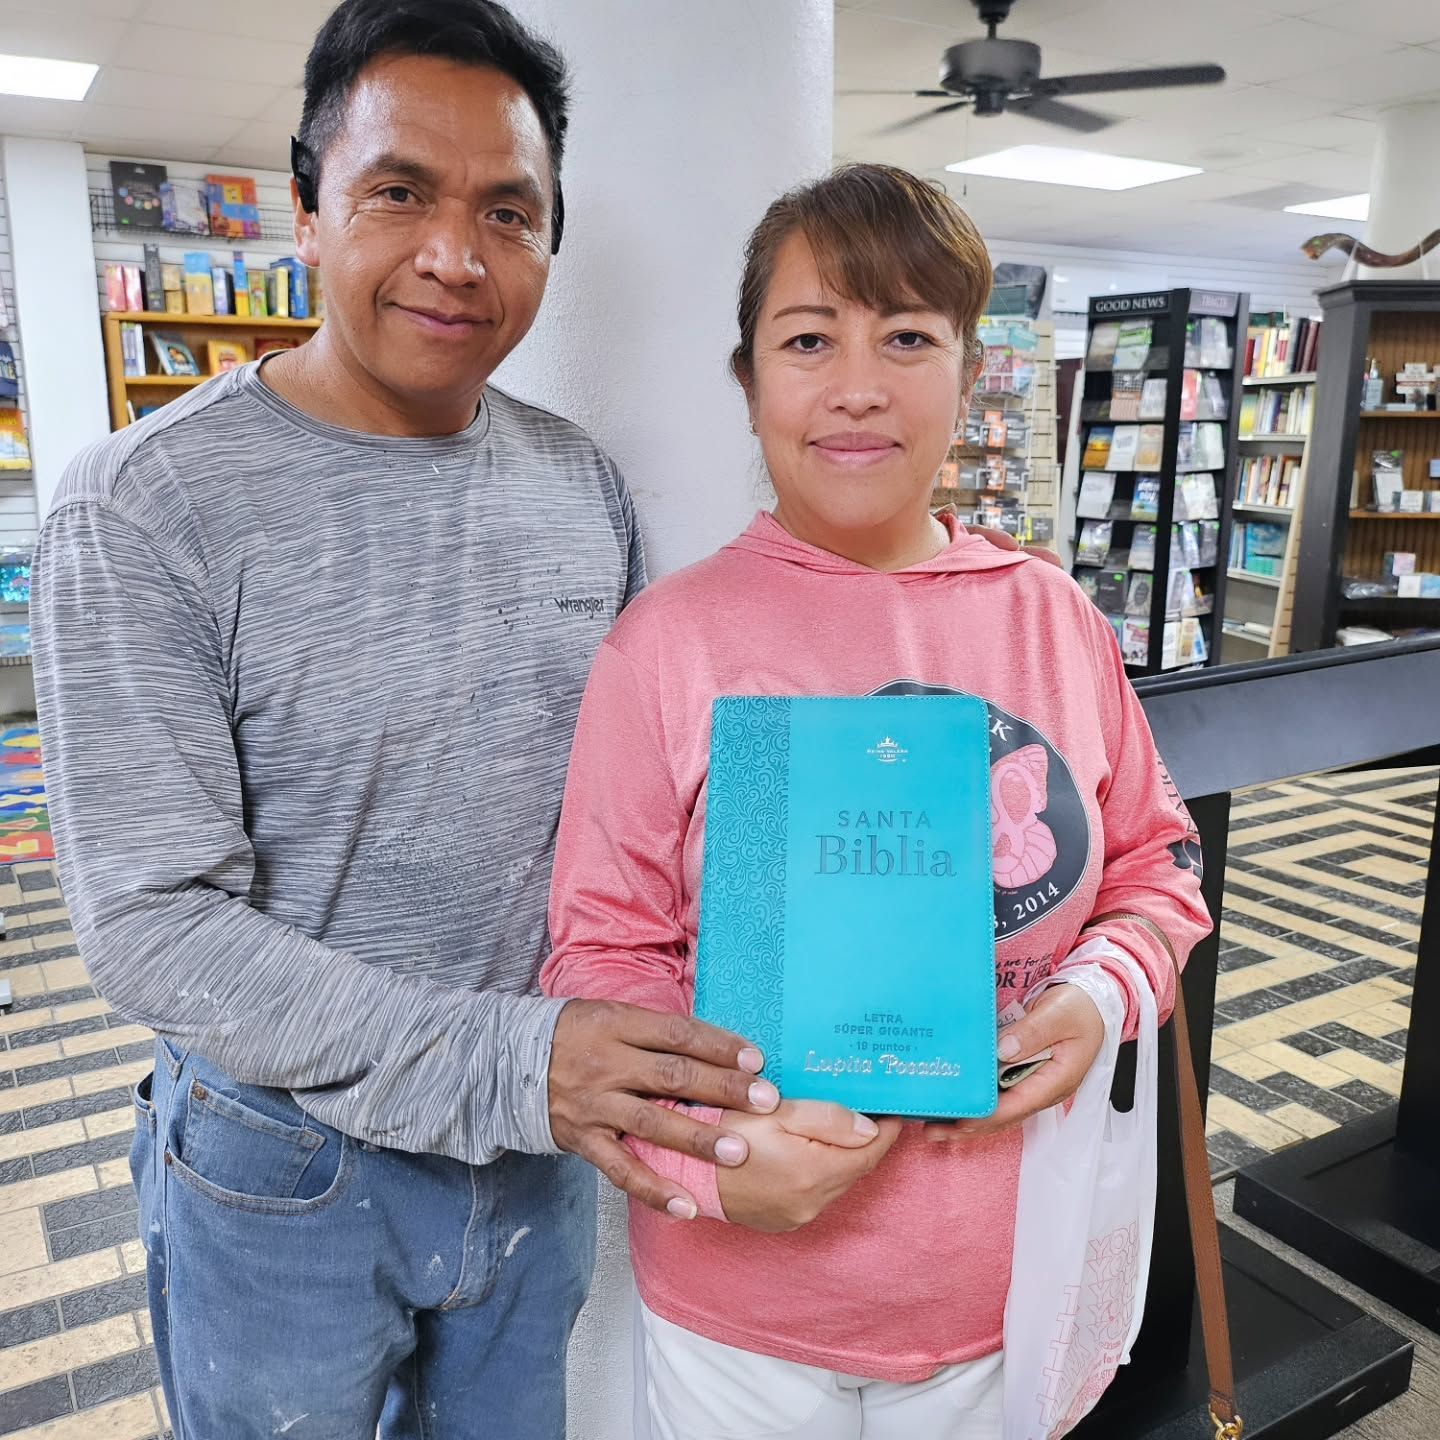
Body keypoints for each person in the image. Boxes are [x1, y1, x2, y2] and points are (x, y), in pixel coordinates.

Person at [33, 5, 1043, 1435]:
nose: (457, 254)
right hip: (285, 1166)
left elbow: (641, 831)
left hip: (538, 1156)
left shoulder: (580, 487)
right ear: (307, 212)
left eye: (509, 211)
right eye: (399, 193)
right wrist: (530, 1064)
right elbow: (150, 921)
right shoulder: (145, 505)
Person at [542, 163, 1213, 1440]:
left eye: (908, 337)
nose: (858, 385)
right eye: (809, 340)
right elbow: (600, 951)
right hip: (741, 1311)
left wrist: (1098, 996)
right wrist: (715, 1155)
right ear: (747, 379)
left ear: (971, 372)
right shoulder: (668, 646)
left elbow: (1156, 867)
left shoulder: (1053, 620)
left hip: (1006, 1283)